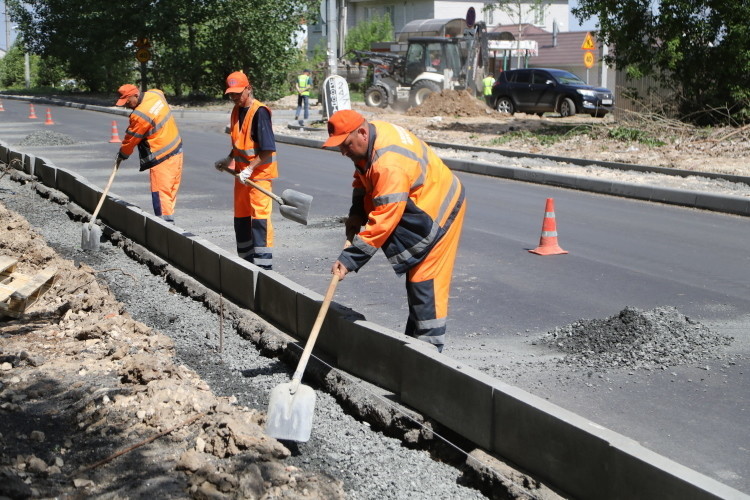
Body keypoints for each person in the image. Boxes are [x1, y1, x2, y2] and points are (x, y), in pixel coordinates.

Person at [323, 110, 466, 353]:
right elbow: (362, 178)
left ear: (362, 133)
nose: (344, 152)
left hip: (439, 210)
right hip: (419, 201)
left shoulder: (388, 163)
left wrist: (349, 259)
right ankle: (413, 346)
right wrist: (357, 212)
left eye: (346, 145)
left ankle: (429, 357)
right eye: (340, 147)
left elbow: (384, 220)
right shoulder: (369, 142)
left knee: (425, 284)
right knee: (416, 284)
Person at [214, 71, 277, 270]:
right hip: (242, 175)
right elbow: (241, 142)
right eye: (231, 94)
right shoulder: (236, 111)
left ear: (248, 89)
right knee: (241, 217)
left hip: (258, 176)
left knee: (259, 220)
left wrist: (249, 169)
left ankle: (264, 267)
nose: (234, 98)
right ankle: (246, 263)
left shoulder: (260, 112)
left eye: (238, 93)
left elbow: (267, 149)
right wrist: (229, 158)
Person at [115, 84, 183, 223]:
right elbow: (160, 97)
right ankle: (170, 228)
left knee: (161, 197)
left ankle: (167, 230)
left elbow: (131, 139)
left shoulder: (140, 115)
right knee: (169, 194)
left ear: (135, 95)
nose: (127, 105)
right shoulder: (156, 94)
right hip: (176, 150)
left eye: (128, 101)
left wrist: (122, 154)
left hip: (162, 157)